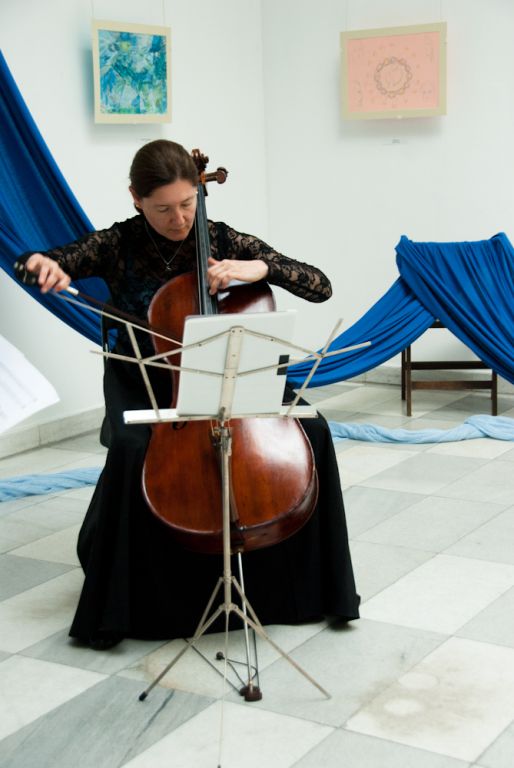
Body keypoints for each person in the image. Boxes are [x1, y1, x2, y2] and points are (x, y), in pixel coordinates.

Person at [18, 139, 360, 649]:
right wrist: (40, 264)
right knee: (134, 447)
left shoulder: (221, 237)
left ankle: (306, 590)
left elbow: (319, 285)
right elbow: (37, 261)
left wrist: (260, 268)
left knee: (314, 429)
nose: (179, 219)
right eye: (163, 209)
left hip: (231, 369)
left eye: (187, 204)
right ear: (136, 199)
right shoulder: (117, 243)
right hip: (146, 376)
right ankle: (129, 604)